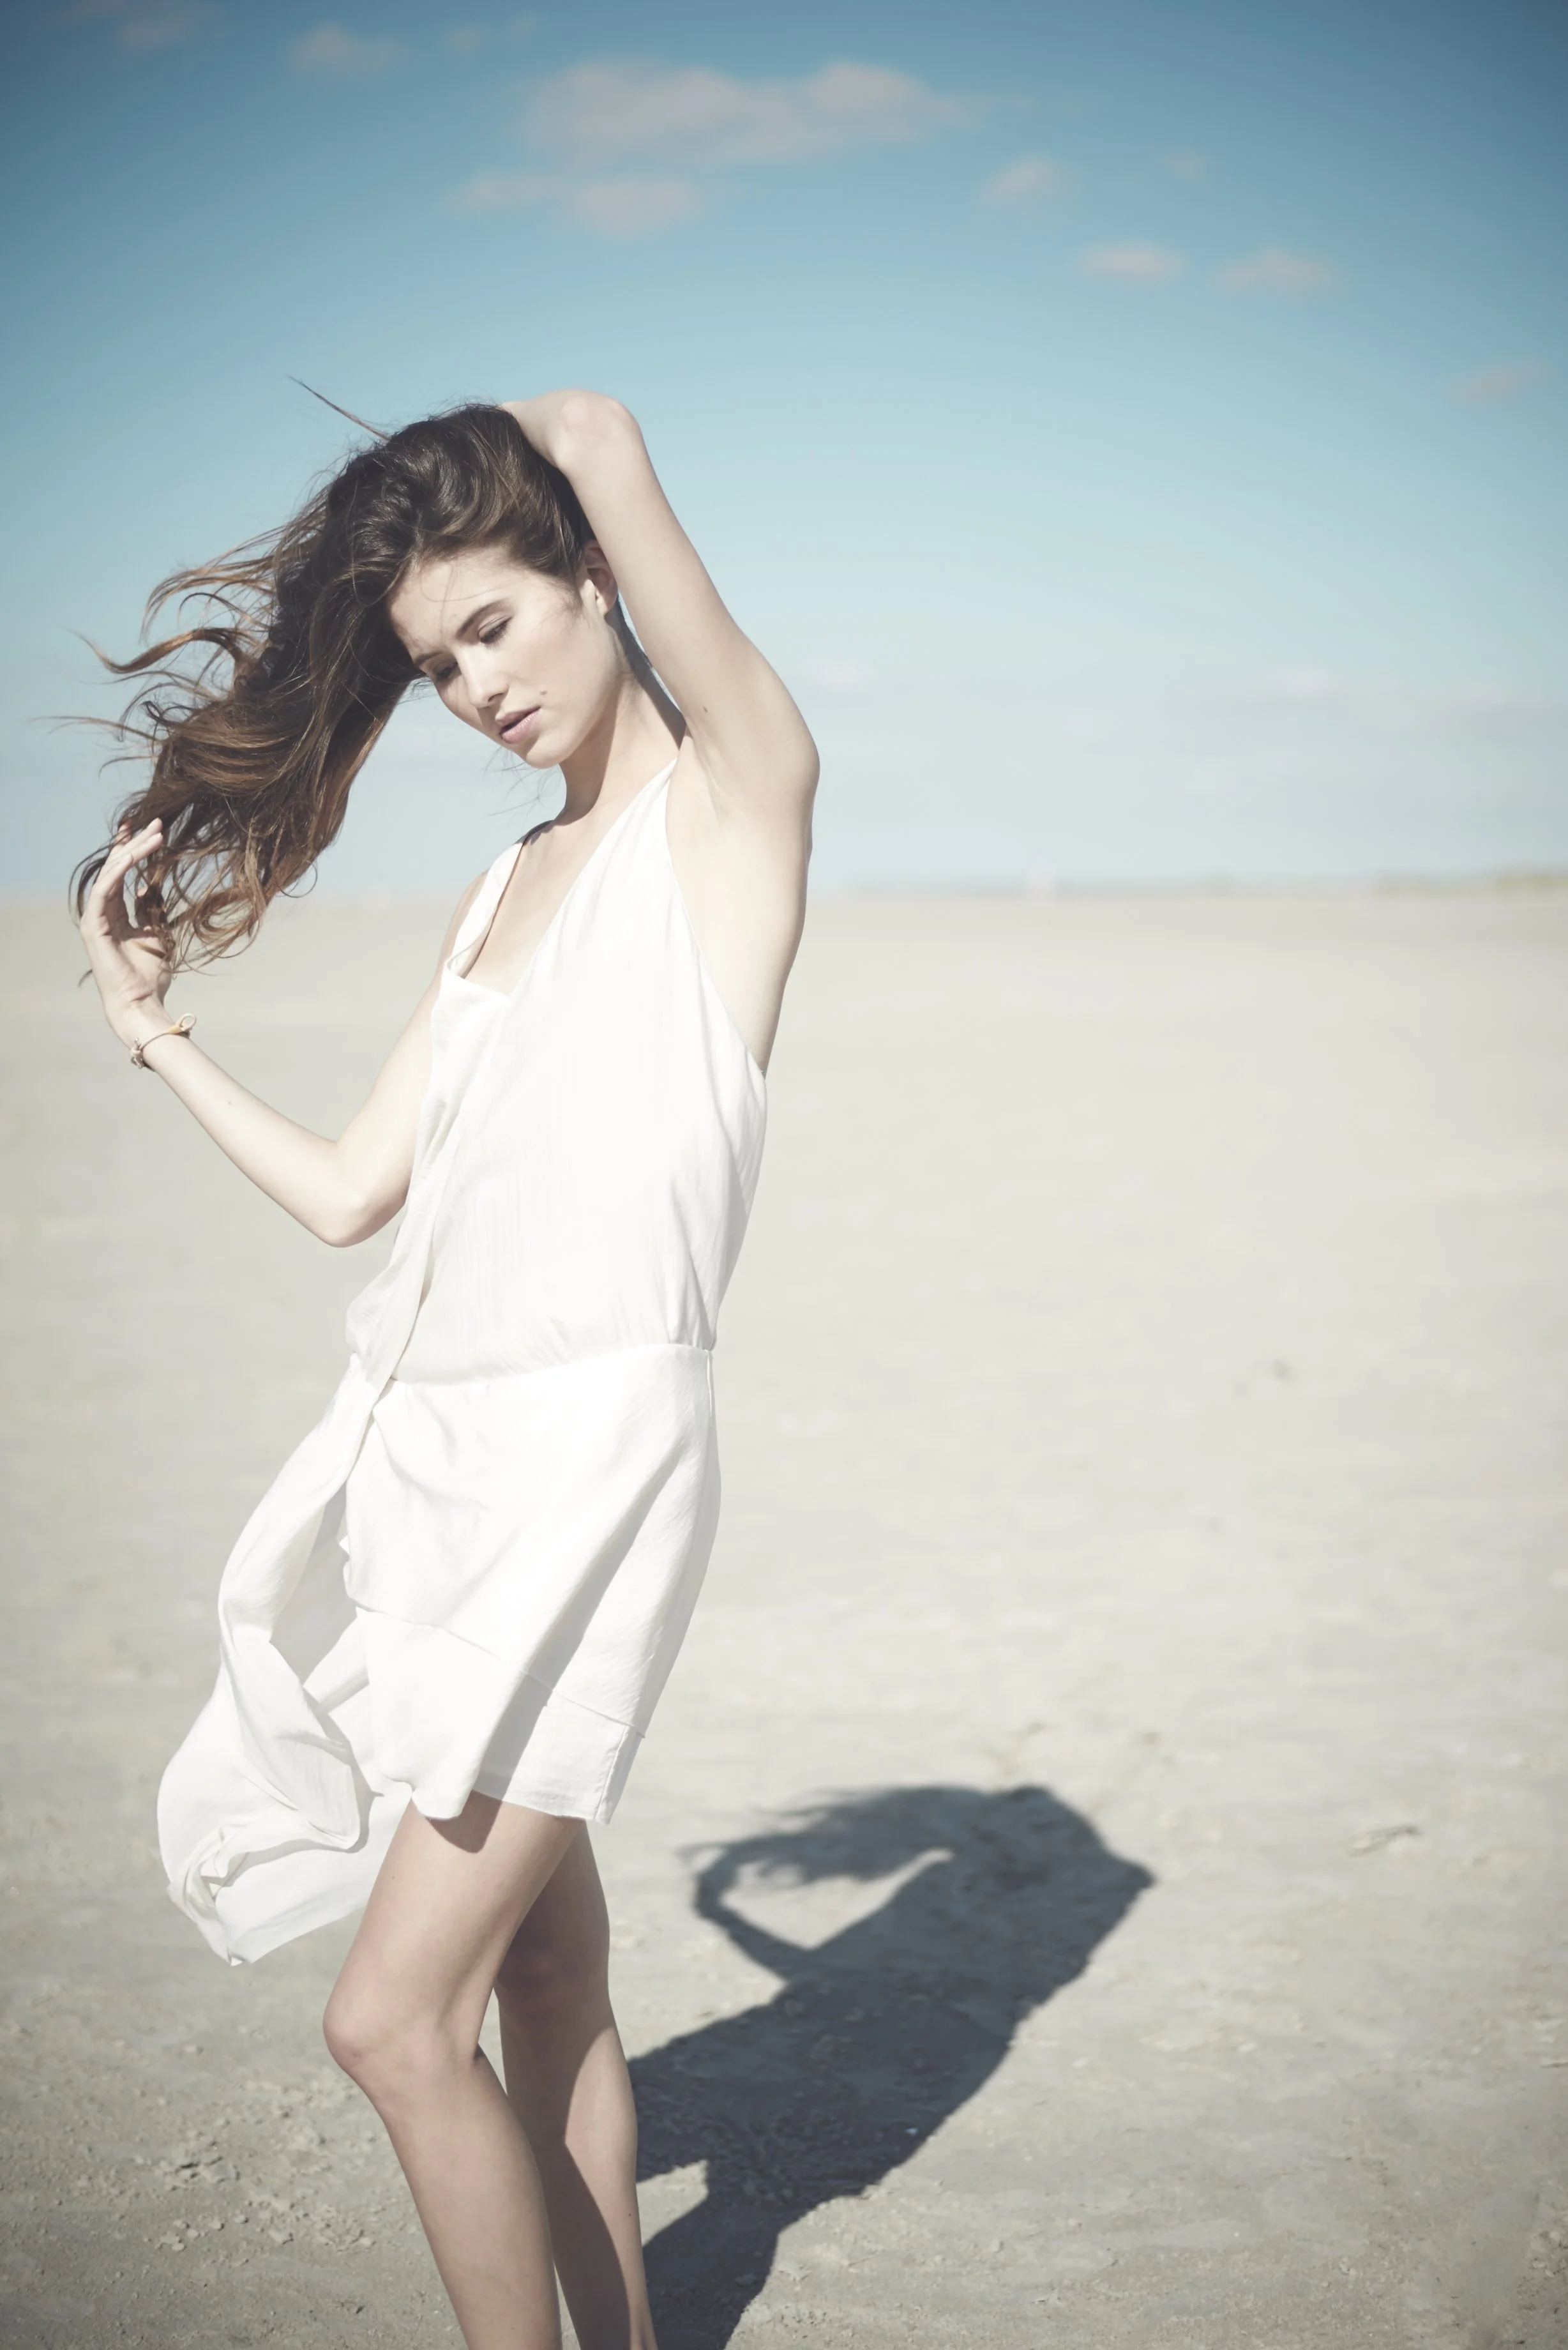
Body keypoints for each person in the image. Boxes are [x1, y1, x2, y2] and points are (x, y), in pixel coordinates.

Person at [73, 391, 818, 2350]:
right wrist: (149, 1032)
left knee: (387, 2021)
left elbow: (601, 437)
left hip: (593, 1472)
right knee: (541, 1986)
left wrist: (571, 452)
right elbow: (349, 1197)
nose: (472, 687)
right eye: (430, 664)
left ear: (588, 574)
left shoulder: (733, 809)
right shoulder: (501, 889)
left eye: (492, 625)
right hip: (437, 1470)